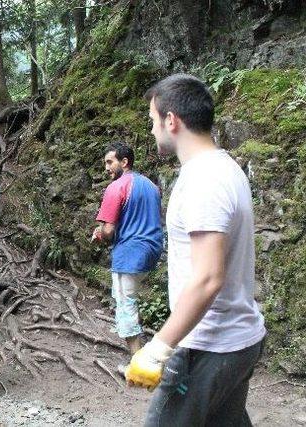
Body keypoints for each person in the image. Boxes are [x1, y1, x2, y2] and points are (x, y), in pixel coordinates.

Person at [125, 74, 266, 426]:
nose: (152, 130)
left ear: (171, 120)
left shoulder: (205, 181)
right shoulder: (225, 168)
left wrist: (158, 348)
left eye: (153, 121)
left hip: (208, 346)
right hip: (235, 340)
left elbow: (208, 277)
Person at [92, 142, 163, 356]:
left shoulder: (117, 187)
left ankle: (138, 362)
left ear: (124, 162)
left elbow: (109, 231)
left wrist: (98, 233)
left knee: (125, 304)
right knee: (131, 300)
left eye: (110, 162)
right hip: (153, 248)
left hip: (130, 251)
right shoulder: (151, 185)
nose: (106, 168)